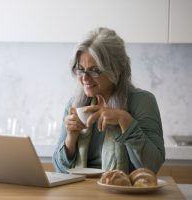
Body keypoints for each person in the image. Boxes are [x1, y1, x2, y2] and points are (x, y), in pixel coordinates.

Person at [52, 27, 165, 174]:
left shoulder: (142, 101)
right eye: (80, 69)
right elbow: (59, 169)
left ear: (116, 69)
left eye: (94, 70)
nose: (85, 78)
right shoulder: (75, 105)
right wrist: (71, 138)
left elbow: (152, 167)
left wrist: (125, 121)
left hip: (123, 193)